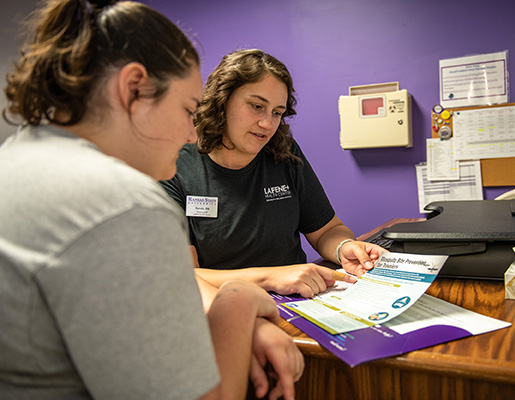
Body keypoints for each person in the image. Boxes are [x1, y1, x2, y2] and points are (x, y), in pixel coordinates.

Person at [0, 2, 302, 399]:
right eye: (188, 110)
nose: (192, 135)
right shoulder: (127, 207)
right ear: (133, 89)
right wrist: (238, 302)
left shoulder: (16, 159)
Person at [160, 49, 386, 298]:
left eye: (277, 112)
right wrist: (271, 277)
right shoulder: (175, 165)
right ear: (221, 100)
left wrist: (345, 247)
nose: (267, 124)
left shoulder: (284, 152)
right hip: (228, 307)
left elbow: (326, 230)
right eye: (257, 106)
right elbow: (185, 275)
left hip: (300, 301)